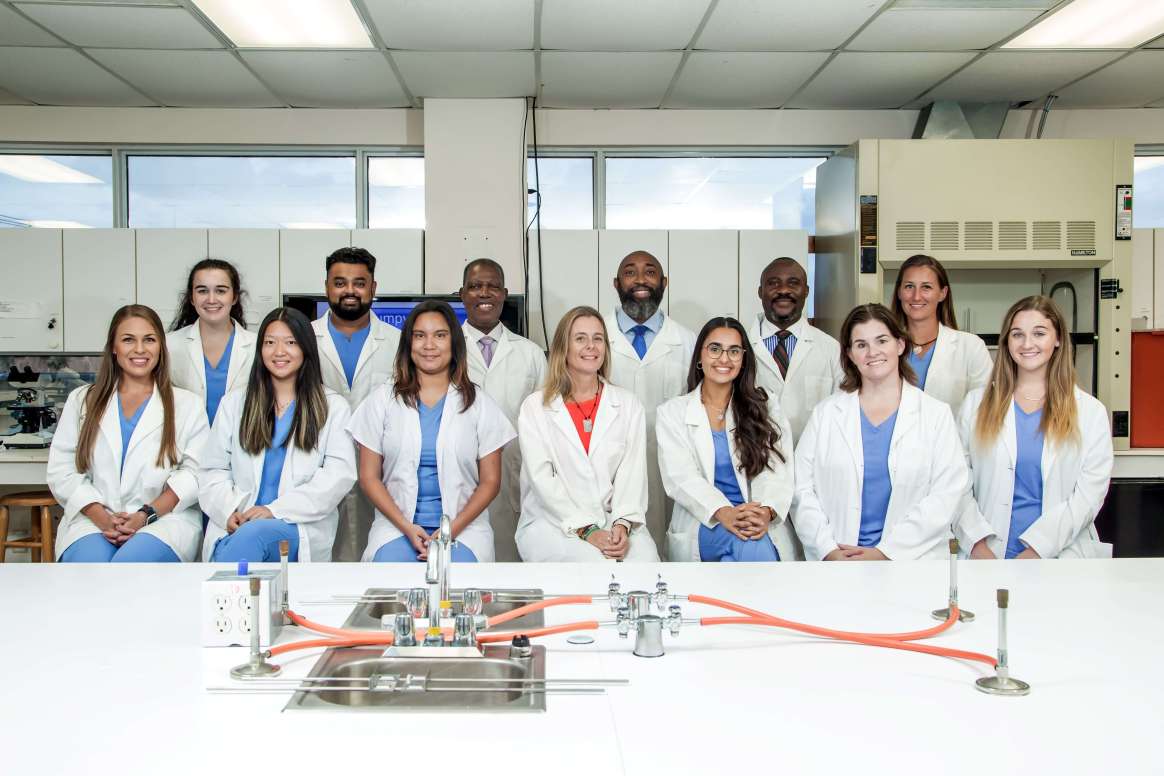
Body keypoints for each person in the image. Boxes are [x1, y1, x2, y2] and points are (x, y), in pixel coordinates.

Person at [791, 304, 968, 561]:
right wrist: (827, 550)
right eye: (861, 345)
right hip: (839, 559)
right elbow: (801, 490)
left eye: (881, 340)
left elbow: (946, 494)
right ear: (850, 354)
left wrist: (885, 553)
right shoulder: (826, 414)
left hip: (913, 561)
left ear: (900, 344)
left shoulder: (935, 415)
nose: (872, 352)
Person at [350, 301, 515, 563]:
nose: (429, 345)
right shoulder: (382, 400)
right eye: (419, 336)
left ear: (454, 343)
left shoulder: (479, 403)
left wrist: (450, 532)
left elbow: (490, 482)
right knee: (390, 578)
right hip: (397, 527)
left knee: (459, 588)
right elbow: (369, 477)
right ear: (408, 343)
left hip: (463, 530)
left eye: (440, 335)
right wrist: (406, 527)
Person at [47, 305, 208, 562]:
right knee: (90, 568)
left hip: (163, 523)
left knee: (130, 567)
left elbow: (195, 474)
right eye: (128, 340)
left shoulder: (187, 404)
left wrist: (144, 515)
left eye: (150, 340)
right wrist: (102, 517)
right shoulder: (82, 400)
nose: (140, 349)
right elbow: (62, 471)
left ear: (161, 347)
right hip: (93, 521)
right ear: (113, 346)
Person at [957, 296, 1113, 559]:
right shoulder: (975, 405)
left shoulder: (1089, 412)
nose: (1027, 344)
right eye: (1017, 335)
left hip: (1060, 554)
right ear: (1007, 341)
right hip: (988, 553)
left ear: (1058, 339)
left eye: (1039, 333)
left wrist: (1038, 550)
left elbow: (1088, 495)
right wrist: (976, 543)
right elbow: (957, 482)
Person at [199, 308, 356, 563]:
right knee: (247, 539)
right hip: (237, 522)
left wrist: (273, 510)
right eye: (270, 343)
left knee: (253, 537)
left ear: (305, 348)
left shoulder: (332, 406)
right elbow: (212, 470)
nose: (279, 352)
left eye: (290, 343)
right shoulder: (235, 403)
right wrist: (229, 510)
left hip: (297, 525)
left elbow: (338, 476)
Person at [516, 306, 661, 562]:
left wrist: (622, 524)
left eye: (598, 338)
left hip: (611, 518)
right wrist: (587, 529)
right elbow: (542, 481)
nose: (591, 346)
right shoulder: (535, 407)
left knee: (646, 560)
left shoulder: (628, 405)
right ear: (564, 347)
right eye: (580, 338)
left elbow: (632, 474)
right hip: (553, 522)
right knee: (593, 562)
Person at [657, 317, 798, 562]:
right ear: (700, 357)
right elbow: (681, 477)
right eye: (715, 349)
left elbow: (777, 468)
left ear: (743, 360)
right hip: (706, 520)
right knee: (750, 544)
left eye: (734, 351)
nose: (724, 359)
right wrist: (724, 512)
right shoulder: (673, 412)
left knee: (739, 556)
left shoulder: (765, 406)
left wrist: (763, 511)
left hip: (756, 520)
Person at [311, 246, 402, 561]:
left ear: (373, 288)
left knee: (373, 556)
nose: (349, 290)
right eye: (340, 282)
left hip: (377, 471)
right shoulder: (304, 340)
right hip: (314, 468)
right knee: (319, 560)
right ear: (326, 287)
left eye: (359, 283)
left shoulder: (397, 343)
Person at [603, 250, 695, 547]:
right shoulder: (594, 337)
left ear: (664, 282)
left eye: (650, 272)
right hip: (608, 468)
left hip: (672, 466)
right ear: (616, 283)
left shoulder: (689, 342)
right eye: (630, 272)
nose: (640, 279)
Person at [458, 258, 546, 562]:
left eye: (493, 286)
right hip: (461, 479)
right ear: (462, 294)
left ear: (504, 293)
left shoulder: (531, 354)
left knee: (512, 568)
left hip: (515, 475)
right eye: (475, 286)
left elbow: (549, 425)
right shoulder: (444, 351)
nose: (485, 293)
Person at [747, 257, 842, 442]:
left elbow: (843, 411)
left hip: (814, 463)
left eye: (793, 283)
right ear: (760, 292)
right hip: (755, 461)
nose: (783, 290)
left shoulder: (831, 349)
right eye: (773, 283)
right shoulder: (741, 348)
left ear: (806, 291)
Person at [891, 254, 992, 415]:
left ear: (942, 293)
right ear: (899, 292)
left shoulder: (971, 347)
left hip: (954, 439)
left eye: (926, 287)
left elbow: (986, 408)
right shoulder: (884, 347)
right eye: (909, 286)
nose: (916, 296)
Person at [167, 258, 257, 428]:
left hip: (240, 447)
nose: (211, 299)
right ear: (192, 298)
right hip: (186, 448)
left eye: (221, 291)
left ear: (235, 297)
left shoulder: (257, 346)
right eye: (202, 291)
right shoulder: (170, 345)